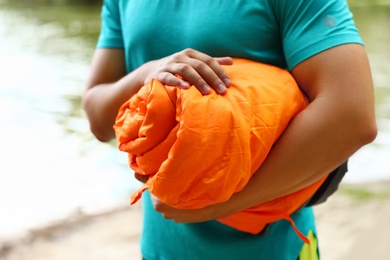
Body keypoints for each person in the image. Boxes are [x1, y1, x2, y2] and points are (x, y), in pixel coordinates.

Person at [82, 0, 377, 259]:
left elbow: (352, 116)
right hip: (160, 249)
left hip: (275, 251)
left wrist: (211, 205)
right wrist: (146, 73)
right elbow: (97, 119)